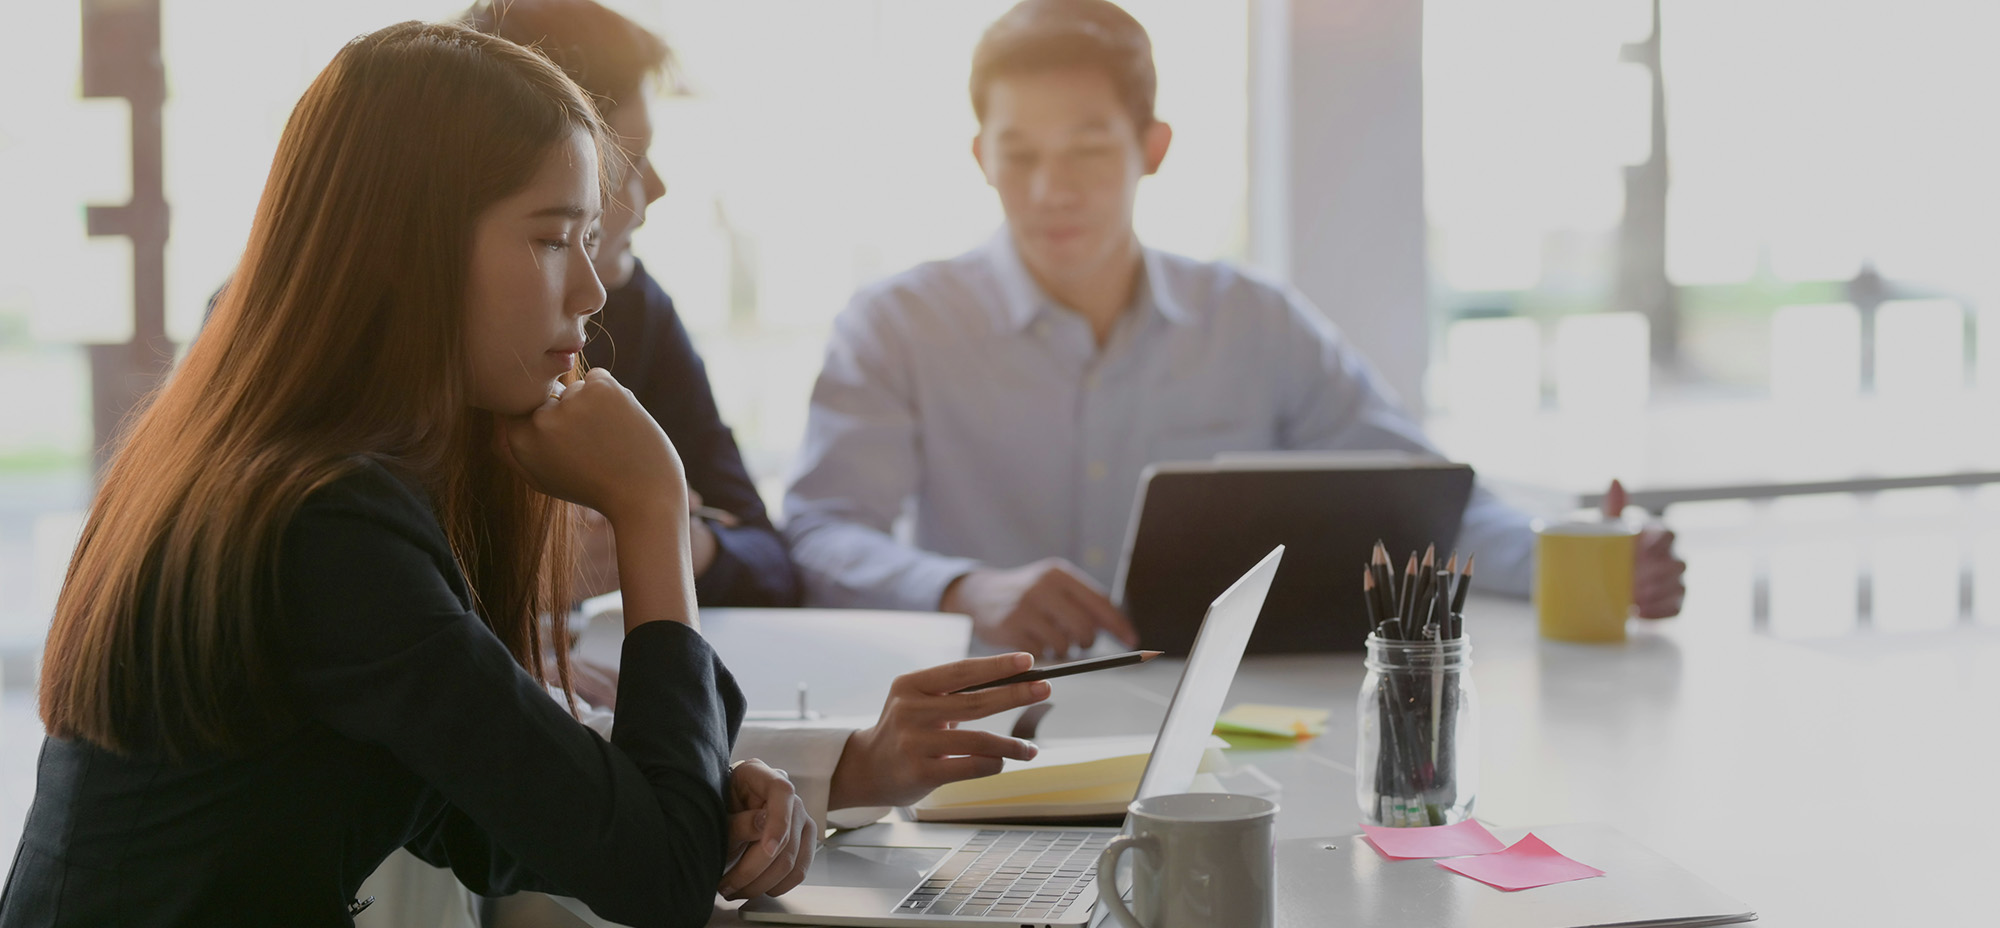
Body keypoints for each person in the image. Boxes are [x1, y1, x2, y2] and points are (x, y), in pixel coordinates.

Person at [2, 22, 813, 926]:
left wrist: (691, 798)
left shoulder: (290, 470)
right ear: (405, 246)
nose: (590, 291)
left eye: (590, 239)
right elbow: (657, 882)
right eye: (552, 239)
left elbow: (499, 825)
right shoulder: (324, 525)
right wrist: (651, 505)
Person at [783, 0, 1687, 658]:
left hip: (1230, 727)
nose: (1052, 188)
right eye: (1019, 154)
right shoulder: (897, 325)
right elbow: (821, 531)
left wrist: (1578, 557)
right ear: (982, 158)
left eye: (1089, 148)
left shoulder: (1252, 321)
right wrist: (961, 585)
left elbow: (1415, 495)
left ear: (1153, 148)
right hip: (995, 724)